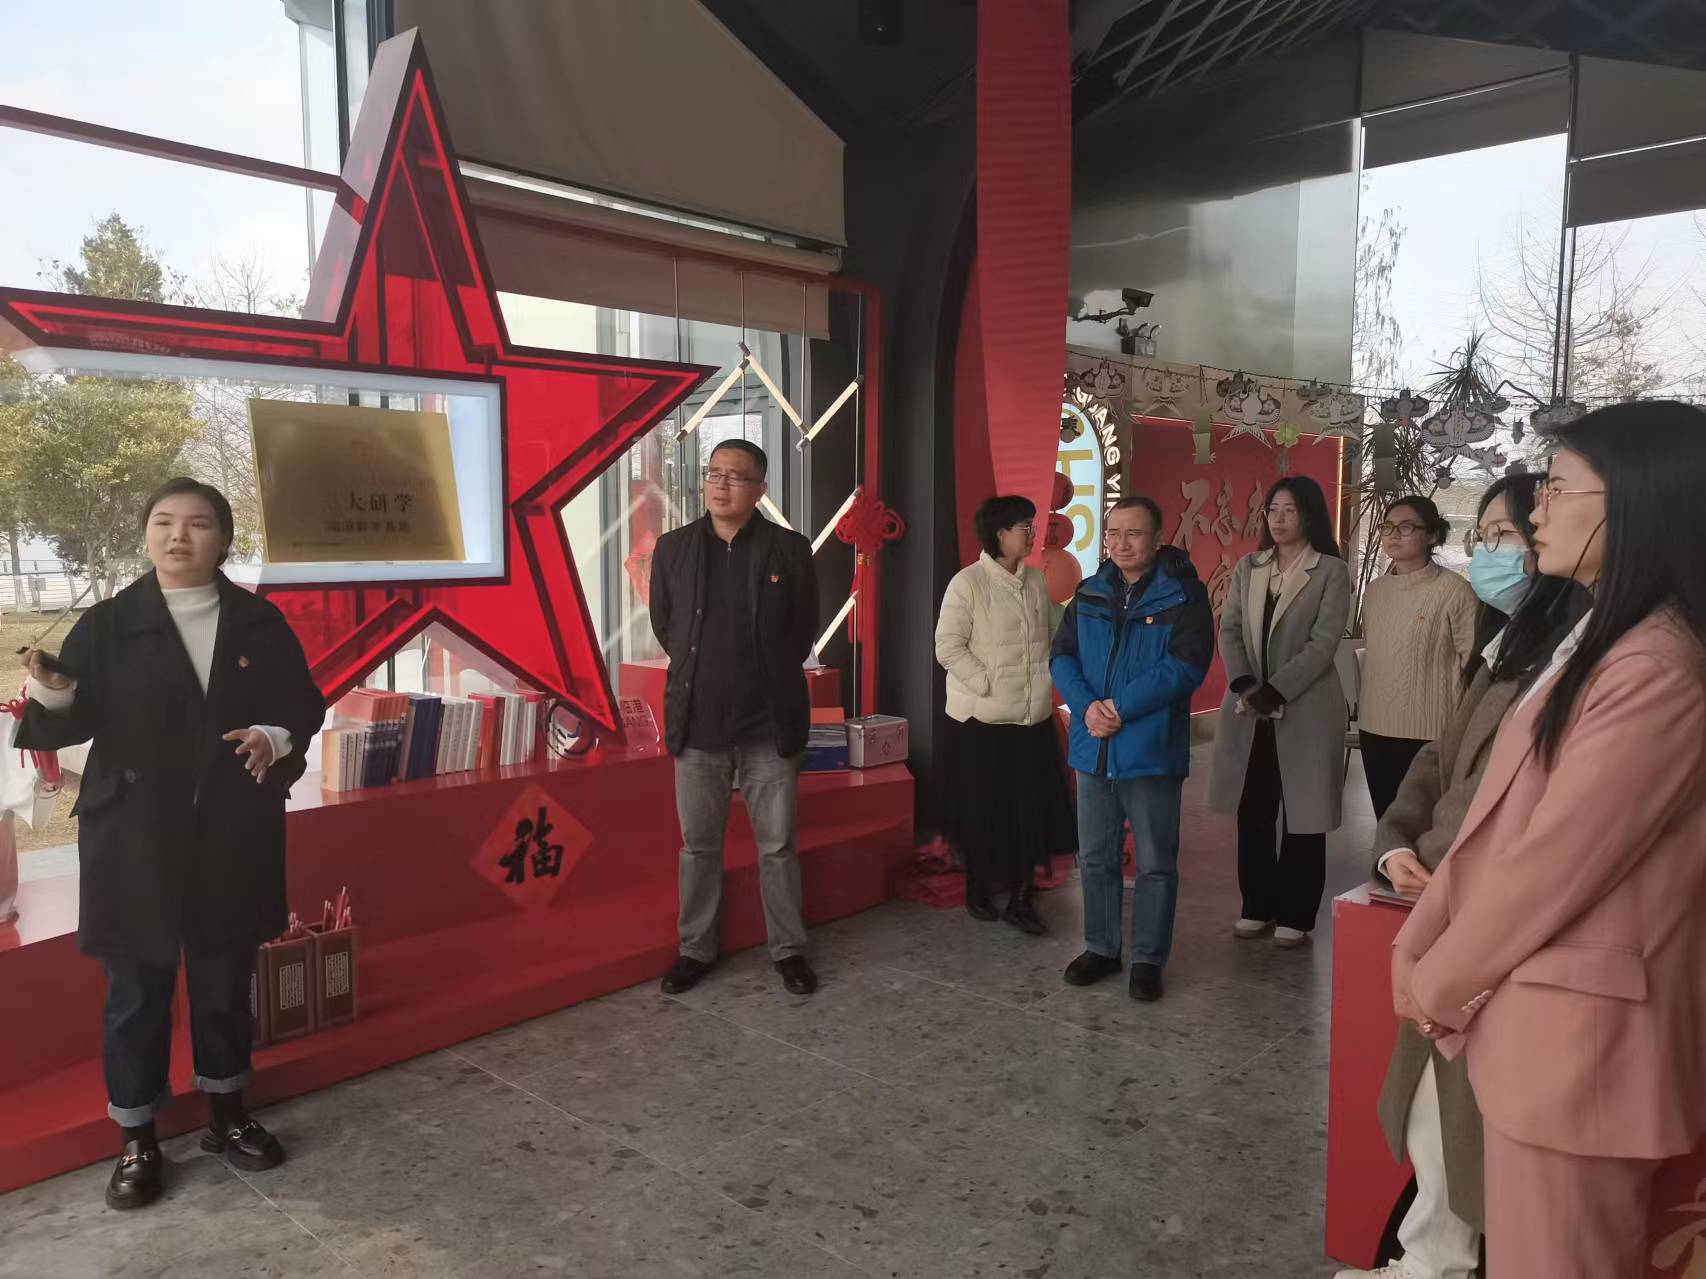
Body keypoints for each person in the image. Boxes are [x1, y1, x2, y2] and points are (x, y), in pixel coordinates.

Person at [1392, 401, 1706, 1279]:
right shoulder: (1595, 638)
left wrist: (1437, 979)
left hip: (1584, 1053)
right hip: (1544, 1036)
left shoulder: (1656, 666)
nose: (1537, 510)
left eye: (1559, 488)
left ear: (1638, 503)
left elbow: (1552, 866)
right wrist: (1419, 942)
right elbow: (1491, 821)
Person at [13, 479, 326, 1211]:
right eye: (163, 522)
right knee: (135, 994)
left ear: (223, 538)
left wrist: (272, 736)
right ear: (146, 534)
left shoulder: (257, 622)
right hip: (133, 833)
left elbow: (302, 705)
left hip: (228, 828)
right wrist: (53, 689)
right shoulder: (109, 623)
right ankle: (137, 1137)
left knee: (223, 982)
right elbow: (67, 722)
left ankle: (227, 1112)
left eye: (197, 523)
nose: (178, 536)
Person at [1338, 477, 1586, 1279]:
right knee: (1430, 1113)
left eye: (1508, 534)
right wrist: (1394, 841)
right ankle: (1428, 1256)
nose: (1494, 553)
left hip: (1492, 917)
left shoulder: (1593, 659)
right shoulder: (1515, 645)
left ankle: (1439, 1262)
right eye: (1487, 536)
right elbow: (1439, 758)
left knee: (1464, 1121)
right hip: (1437, 894)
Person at [649, 440, 820, 997]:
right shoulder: (674, 548)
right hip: (698, 724)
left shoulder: (789, 550)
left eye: (736, 477)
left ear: (760, 490)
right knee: (698, 846)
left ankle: (789, 950)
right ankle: (694, 949)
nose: (721, 485)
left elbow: (802, 629)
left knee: (777, 845)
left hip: (767, 725)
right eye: (714, 474)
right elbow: (666, 626)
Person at [1051, 497, 1212, 1001]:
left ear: (1157, 539)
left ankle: (1147, 958)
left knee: (1155, 861)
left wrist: (1119, 707)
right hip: (1093, 744)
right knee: (1095, 856)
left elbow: (1185, 666)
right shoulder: (1090, 591)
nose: (1121, 544)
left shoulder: (1182, 595)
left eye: (1134, 534)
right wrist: (1086, 707)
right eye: (1114, 533)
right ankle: (1100, 947)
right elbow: (1061, 656)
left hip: (1150, 747)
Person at [1208, 475, 1350, 947]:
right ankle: (1257, 904)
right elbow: (1229, 629)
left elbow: (1323, 643)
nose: (1279, 519)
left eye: (1289, 510)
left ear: (1309, 515)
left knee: (1304, 814)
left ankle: (1296, 913)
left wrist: (1275, 691)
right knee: (1253, 810)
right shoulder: (1250, 567)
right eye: (1273, 510)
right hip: (1250, 709)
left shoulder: (1330, 571)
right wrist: (1246, 684)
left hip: (1306, 708)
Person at [933, 496, 1075, 932]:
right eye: (1024, 527)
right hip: (982, 722)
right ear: (999, 534)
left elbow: (1051, 635)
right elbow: (948, 647)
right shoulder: (968, 583)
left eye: (1033, 526)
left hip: (1031, 719)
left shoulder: (1036, 581)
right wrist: (987, 684)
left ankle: (1020, 898)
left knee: (1029, 812)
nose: (1033, 534)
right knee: (984, 809)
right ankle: (977, 887)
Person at [1356, 496, 1478, 819]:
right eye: (1387, 527)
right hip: (1375, 728)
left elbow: (1475, 664)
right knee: (1386, 824)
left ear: (1432, 535)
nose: (1394, 534)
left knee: (1426, 830)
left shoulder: (1455, 591)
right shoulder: (1375, 592)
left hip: (1432, 735)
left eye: (1406, 527)